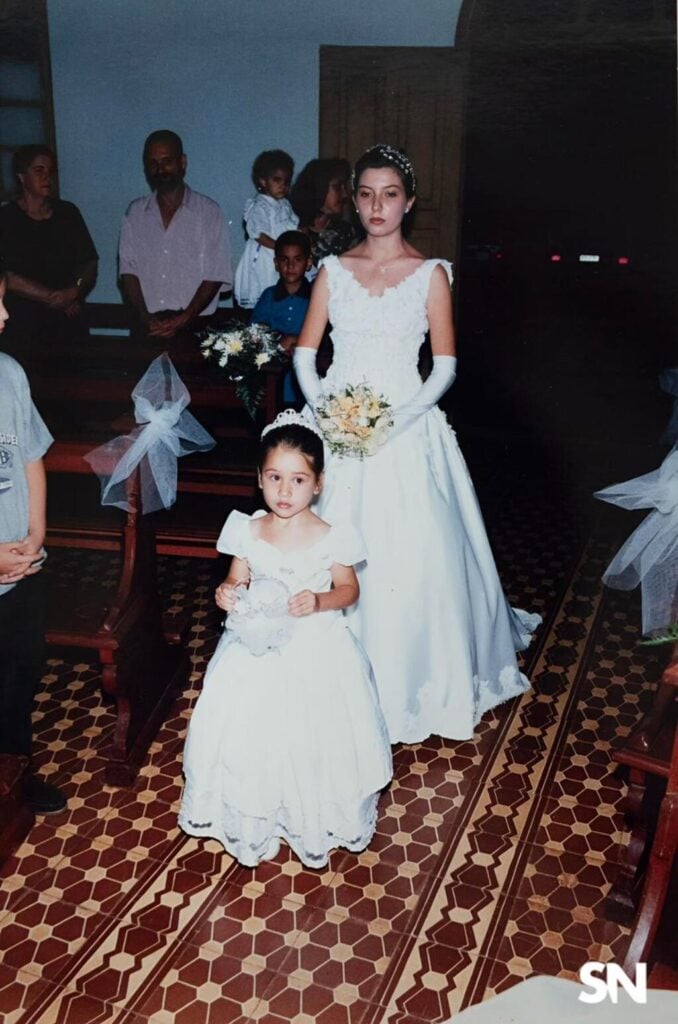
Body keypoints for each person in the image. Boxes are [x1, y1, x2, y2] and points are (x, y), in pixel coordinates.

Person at [293, 144, 541, 745]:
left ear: (409, 202)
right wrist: (330, 413)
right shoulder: (332, 271)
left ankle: (415, 678)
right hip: (338, 423)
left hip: (405, 423)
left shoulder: (432, 274)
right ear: (355, 202)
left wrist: (389, 422)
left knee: (415, 550)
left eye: (390, 195)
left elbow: (445, 367)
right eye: (366, 195)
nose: (377, 207)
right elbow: (305, 354)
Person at [179, 410, 392, 868]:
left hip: (316, 646)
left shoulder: (332, 536)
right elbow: (236, 579)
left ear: (318, 484)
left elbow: (349, 590)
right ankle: (254, 814)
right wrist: (227, 593)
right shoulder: (248, 529)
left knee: (311, 733)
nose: (284, 491)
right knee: (250, 729)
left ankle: (312, 814)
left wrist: (319, 600)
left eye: (298, 480)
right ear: (260, 478)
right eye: (275, 477)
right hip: (255, 647)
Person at [0, 264, 66, 814]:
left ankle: (16, 771)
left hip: (20, 565)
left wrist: (36, 533)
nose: (4, 315)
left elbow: (30, 456)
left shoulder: (9, 374)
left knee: (19, 672)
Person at [119, 130, 232, 339]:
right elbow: (128, 272)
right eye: (153, 163)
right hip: (148, 327)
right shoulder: (135, 213)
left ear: (183, 162)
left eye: (167, 161)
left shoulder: (209, 212)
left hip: (195, 325)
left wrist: (184, 318)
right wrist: (145, 317)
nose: (160, 169)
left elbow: (215, 274)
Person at [0, 145, 98, 353]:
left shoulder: (68, 213)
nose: (47, 177)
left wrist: (75, 291)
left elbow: (89, 262)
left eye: (50, 171)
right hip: (24, 326)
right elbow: (7, 275)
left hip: (68, 321)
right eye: (39, 170)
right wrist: (54, 297)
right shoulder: (6, 219)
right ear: (21, 176)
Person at [250, 230, 312, 405]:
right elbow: (255, 331)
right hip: (272, 378)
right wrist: (279, 340)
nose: (290, 266)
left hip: (308, 378)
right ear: (276, 263)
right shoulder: (269, 296)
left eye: (297, 260)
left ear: (308, 262)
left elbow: (326, 334)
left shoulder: (316, 297)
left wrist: (296, 339)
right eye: (284, 260)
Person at [233, 149, 299, 309]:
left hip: (283, 255)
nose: (283, 185)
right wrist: (281, 248)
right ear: (263, 181)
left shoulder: (285, 204)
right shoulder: (259, 205)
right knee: (268, 287)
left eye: (287, 181)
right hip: (266, 255)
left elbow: (293, 226)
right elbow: (258, 234)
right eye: (277, 180)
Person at [289, 158, 357, 272]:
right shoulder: (290, 227)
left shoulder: (346, 232)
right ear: (318, 188)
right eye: (337, 187)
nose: (345, 194)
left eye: (344, 187)